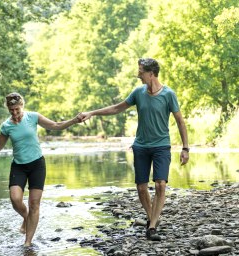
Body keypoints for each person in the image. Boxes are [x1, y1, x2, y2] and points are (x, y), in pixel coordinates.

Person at [79, 58, 189, 241]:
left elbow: (180, 121)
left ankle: (152, 226)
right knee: (141, 187)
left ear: (151, 73)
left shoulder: (169, 94)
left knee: (161, 184)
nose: (138, 74)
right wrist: (92, 112)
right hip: (141, 146)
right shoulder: (138, 92)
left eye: (141, 71)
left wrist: (185, 148)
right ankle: (152, 217)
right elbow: (116, 108)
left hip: (161, 145)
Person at [0, 92, 81, 247]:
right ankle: (26, 217)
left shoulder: (33, 117)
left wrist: (74, 120)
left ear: (22, 106)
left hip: (37, 165)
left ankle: (27, 242)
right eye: (11, 110)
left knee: (34, 203)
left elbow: (56, 126)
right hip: (19, 166)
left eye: (17, 109)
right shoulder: (6, 126)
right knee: (15, 199)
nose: (15, 113)